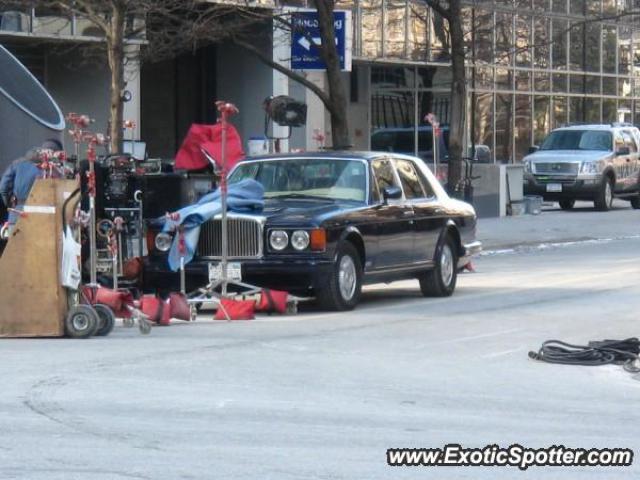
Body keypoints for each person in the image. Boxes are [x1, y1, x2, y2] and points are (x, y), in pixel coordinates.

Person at [0, 139, 64, 228]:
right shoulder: (56, 170)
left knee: (16, 242)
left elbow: (3, 187)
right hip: (44, 218)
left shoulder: (18, 163)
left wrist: (13, 204)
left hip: (17, 216)